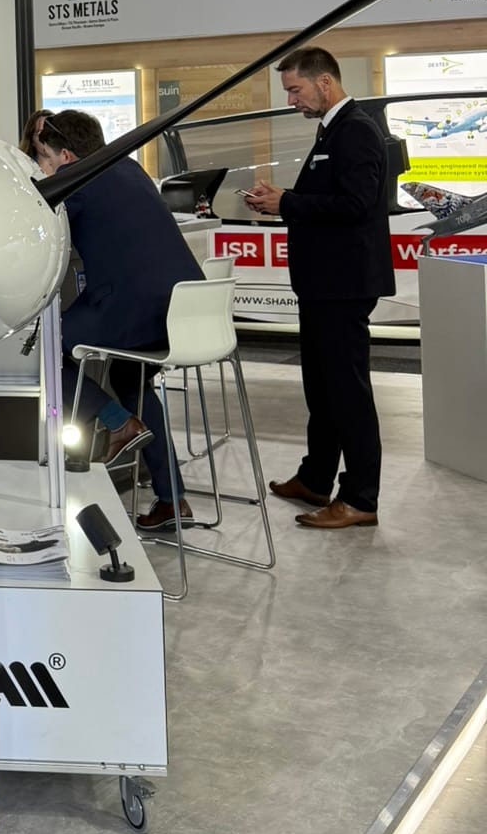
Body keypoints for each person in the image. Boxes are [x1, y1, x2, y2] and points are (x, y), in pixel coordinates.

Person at [30, 109, 204, 531]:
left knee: (40, 351)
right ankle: (172, 500)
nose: (45, 168)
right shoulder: (129, 167)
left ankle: (118, 423)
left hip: (132, 309)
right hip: (184, 311)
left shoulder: (77, 181)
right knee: (131, 379)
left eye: (45, 158)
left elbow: (38, 232)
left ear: (66, 157)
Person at [246, 47, 394, 531]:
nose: (291, 99)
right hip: (323, 284)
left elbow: (356, 204)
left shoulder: (356, 131)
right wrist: (283, 200)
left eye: (295, 89)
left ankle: (360, 498)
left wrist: (288, 203)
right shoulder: (333, 129)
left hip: (343, 285)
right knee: (323, 388)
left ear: (324, 82)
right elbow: (331, 197)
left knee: (347, 393)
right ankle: (315, 478)